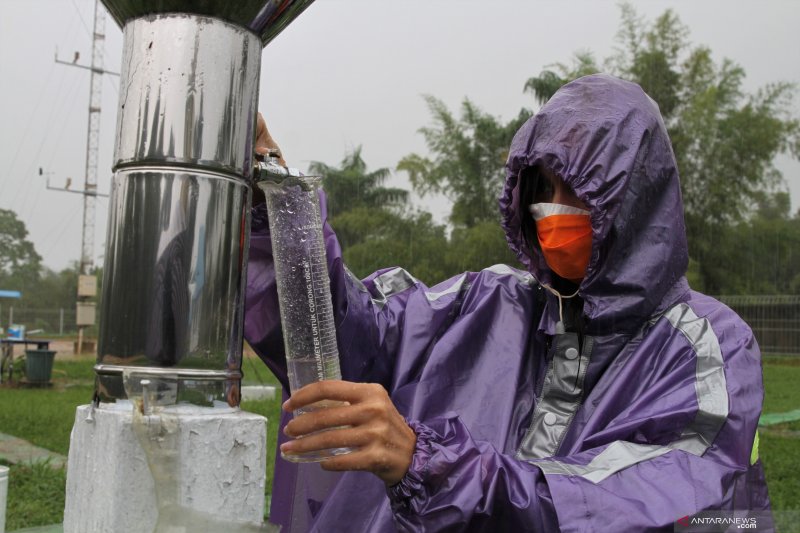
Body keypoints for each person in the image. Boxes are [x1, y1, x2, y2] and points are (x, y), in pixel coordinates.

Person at [245, 74, 771, 531]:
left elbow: (624, 506)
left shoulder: (703, 347)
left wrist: (428, 464)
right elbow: (341, 340)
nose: (554, 212)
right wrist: (274, 206)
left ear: (637, 200)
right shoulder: (484, 301)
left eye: (583, 192)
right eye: (545, 187)